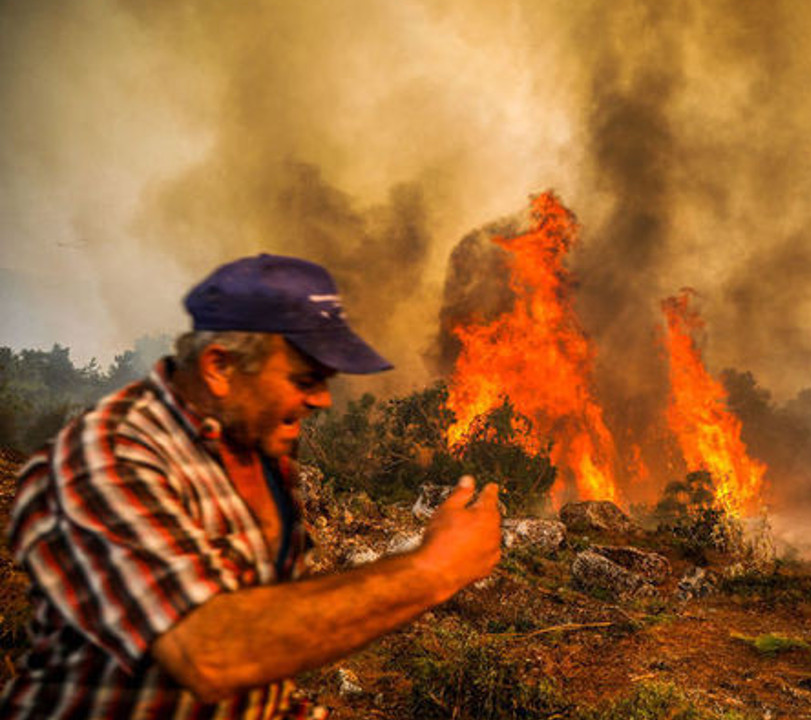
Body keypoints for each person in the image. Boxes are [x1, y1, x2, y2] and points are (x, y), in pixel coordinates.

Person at [1, 254, 503, 719]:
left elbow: (256, 648)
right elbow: (209, 653)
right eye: (305, 379)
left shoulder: (263, 456)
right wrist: (433, 569)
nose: (323, 400)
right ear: (220, 367)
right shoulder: (107, 459)